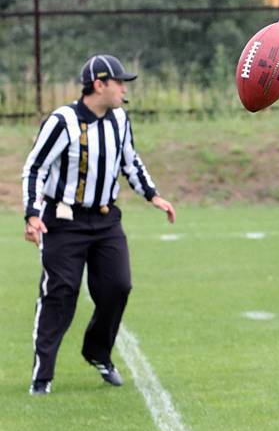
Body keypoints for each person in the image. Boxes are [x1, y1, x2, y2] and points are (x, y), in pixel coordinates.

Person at [22, 54, 176, 395]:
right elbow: (36, 168)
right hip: (63, 221)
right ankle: (42, 374)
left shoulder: (120, 120)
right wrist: (32, 213)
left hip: (105, 220)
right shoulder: (62, 122)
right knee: (60, 294)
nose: (124, 88)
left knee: (118, 287)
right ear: (99, 85)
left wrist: (153, 195)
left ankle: (98, 353)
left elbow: (129, 160)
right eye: (119, 82)